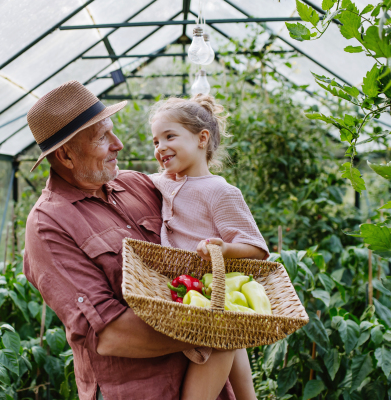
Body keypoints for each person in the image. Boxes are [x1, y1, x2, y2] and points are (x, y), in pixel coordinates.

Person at [23, 80, 236, 400]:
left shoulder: (137, 185)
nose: (118, 144)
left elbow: (199, 213)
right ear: (66, 155)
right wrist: (217, 329)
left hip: (208, 383)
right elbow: (110, 335)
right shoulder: (49, 225)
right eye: (101, 138)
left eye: (112, 130)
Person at [148, 94, 270, 400]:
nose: (160, 147)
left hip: (211, 289)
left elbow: (256, 248)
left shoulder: (220, 191)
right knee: (231, 343)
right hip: (186, 287)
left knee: (224, 339)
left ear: (202, 139)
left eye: (169, 136)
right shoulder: (161, 182)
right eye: (155, 141)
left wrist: (224, 250)